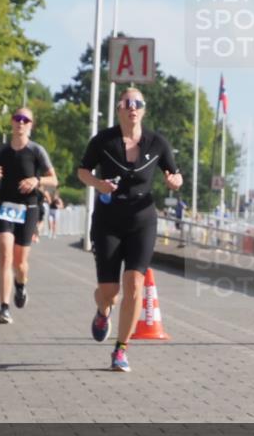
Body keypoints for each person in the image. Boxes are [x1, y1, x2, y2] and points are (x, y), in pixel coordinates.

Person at [77, 88, 183, 372]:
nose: (132, 107)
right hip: (108, 221)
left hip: (142, 221)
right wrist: (98, 184)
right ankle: (103, 311)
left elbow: (175, 173)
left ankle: (121, 349)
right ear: (119, 109)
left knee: (134, 284)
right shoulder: (103, 140)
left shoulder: (157, 142)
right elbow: (82, 170)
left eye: (137, 103)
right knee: (109, 292)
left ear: (143, 110)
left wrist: (175, 181)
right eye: (127, 103)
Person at [0, 107, 57, 324]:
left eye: (26, 120)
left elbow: (54, 179)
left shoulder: (37, 151)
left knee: (20, 263)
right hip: (4, 206)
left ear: (31, 125)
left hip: (28, 208)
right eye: (18, 118)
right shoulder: (1, 150)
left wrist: (37, 181)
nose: (21, 122)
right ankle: (4, 308)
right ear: (11, 122)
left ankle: (21, 285)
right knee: (5, 255)